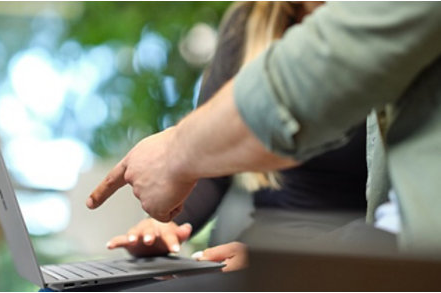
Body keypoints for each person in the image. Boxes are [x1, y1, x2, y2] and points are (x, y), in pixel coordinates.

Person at [87, 2, 441, 253]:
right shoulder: (248, 23)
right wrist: (166, 225)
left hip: (344, 251)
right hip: (269, 249)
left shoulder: (376, 29)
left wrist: (173, 154)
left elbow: (295, 90)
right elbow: (213, 164)